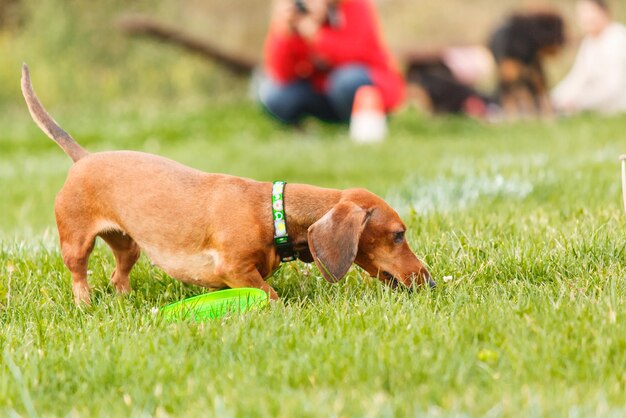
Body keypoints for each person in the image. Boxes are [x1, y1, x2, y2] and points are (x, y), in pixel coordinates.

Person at [259, 0, 405, 125]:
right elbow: (282, 75)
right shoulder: (296, 21)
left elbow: (355, 54)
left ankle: (363, 126)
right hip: (324, 92)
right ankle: (302, 131)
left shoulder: (353, 6)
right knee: (272, 93)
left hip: (368, 87)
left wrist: (316, 36)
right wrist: (283, 35)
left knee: (344, 81)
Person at [552, 0, 626, 115]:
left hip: (617, 106)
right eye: (582, 13)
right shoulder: (589, 42)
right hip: (594, 105)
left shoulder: (617, 38)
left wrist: (579, 102)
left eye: (591, 11)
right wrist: (554, 99)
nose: (586, 17)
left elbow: (613, 86)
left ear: (604, 12)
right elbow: (576, 78)